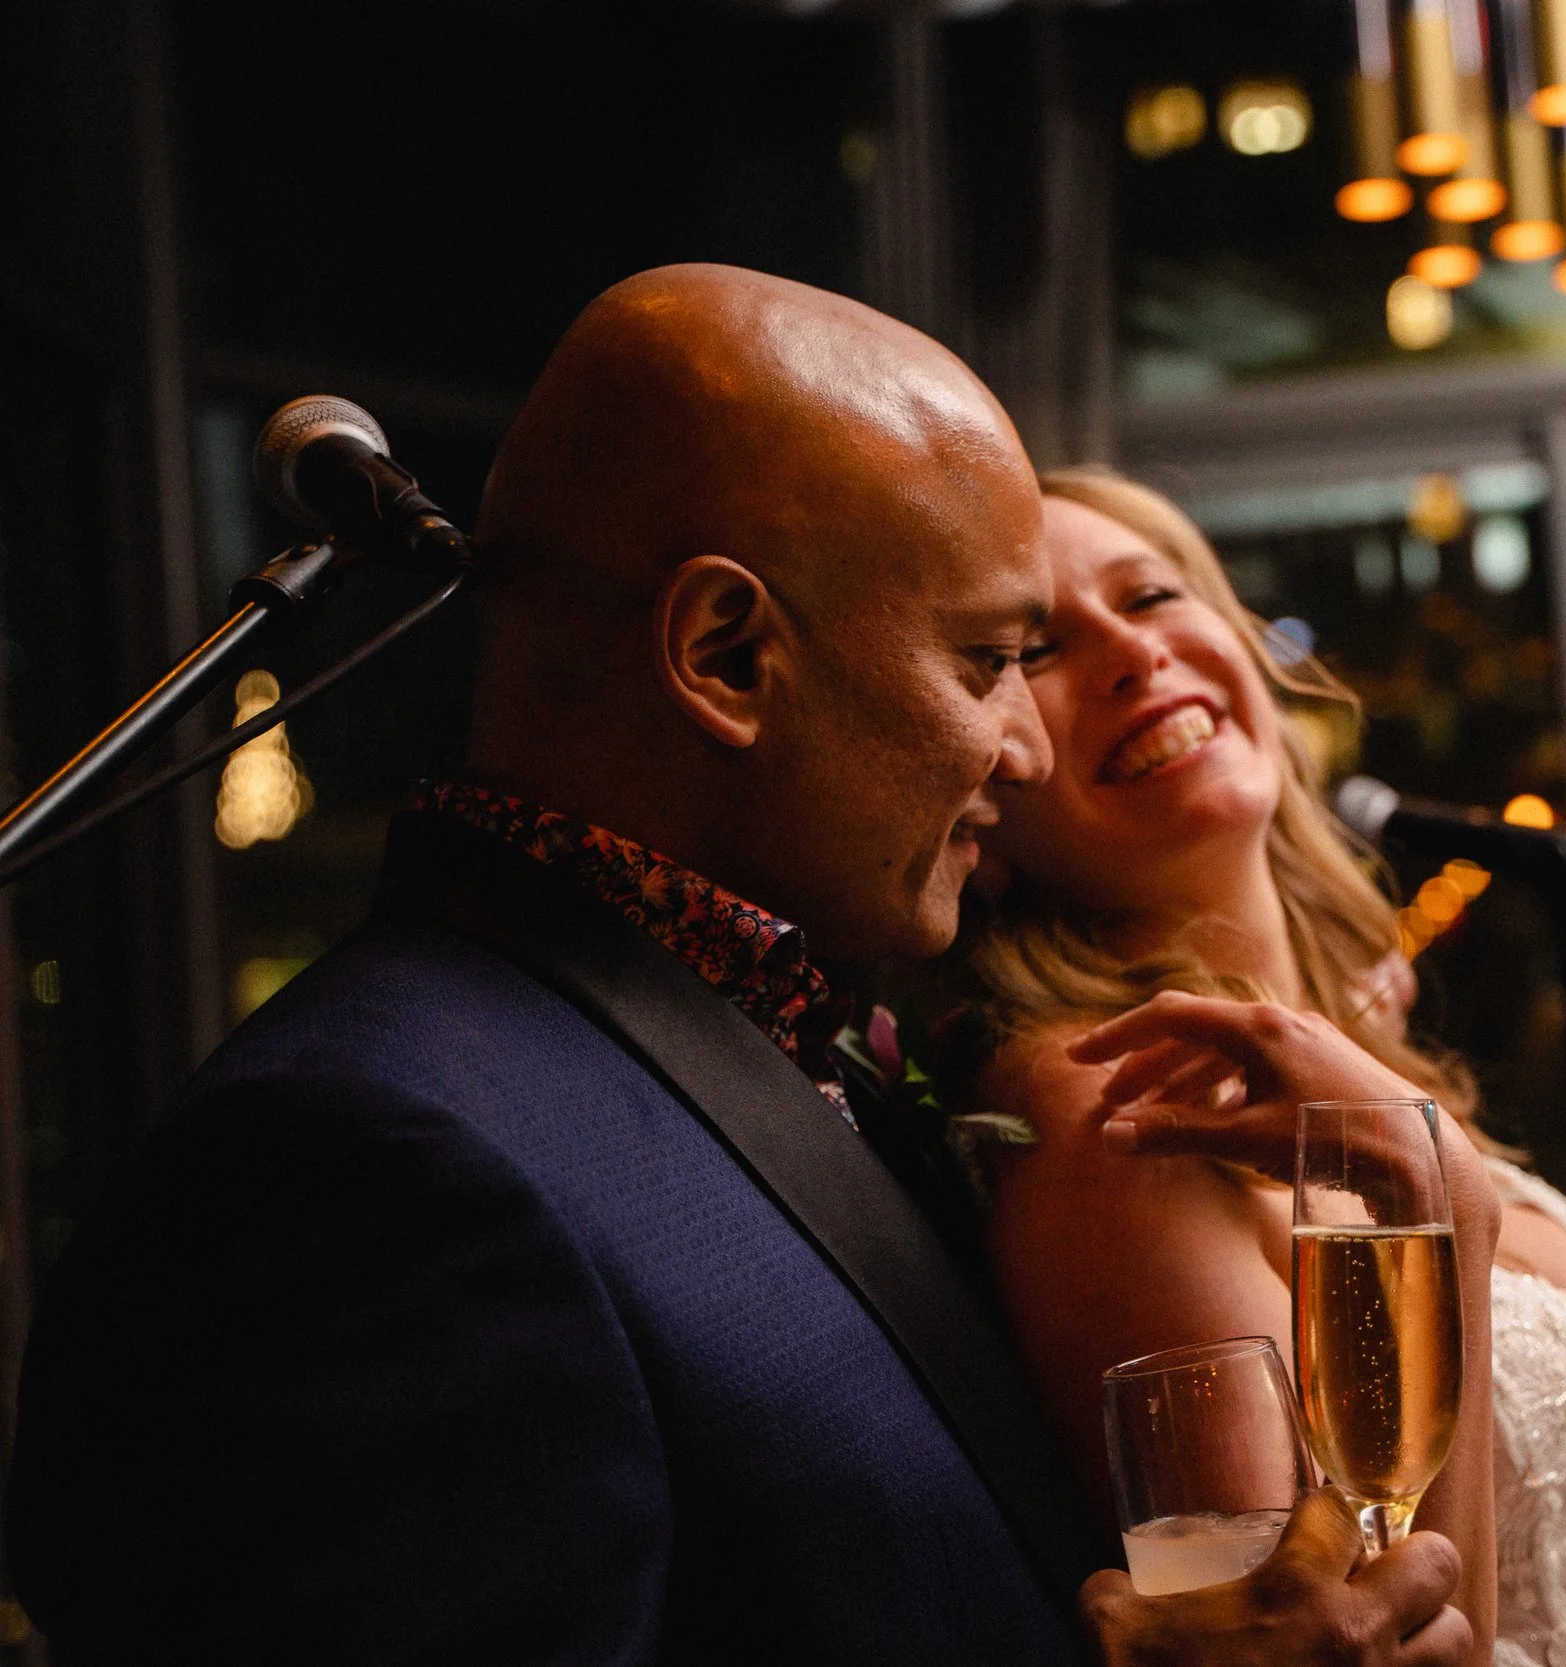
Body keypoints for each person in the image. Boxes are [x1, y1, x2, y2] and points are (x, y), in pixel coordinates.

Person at [6, 266, 1473, 1666]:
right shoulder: (353, 1169)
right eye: (985, 662)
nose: (1020, 746)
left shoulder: (755, 1042)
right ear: (722, 653)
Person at [942, 467, 1566, 1667]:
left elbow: (1515, 1558)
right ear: (986, 777)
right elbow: (1374, 1642)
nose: (1130, 652)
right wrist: (1435, 1203)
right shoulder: (1118, 1116)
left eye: (1154, 593)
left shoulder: (1350, 1040)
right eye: (1043, 645)